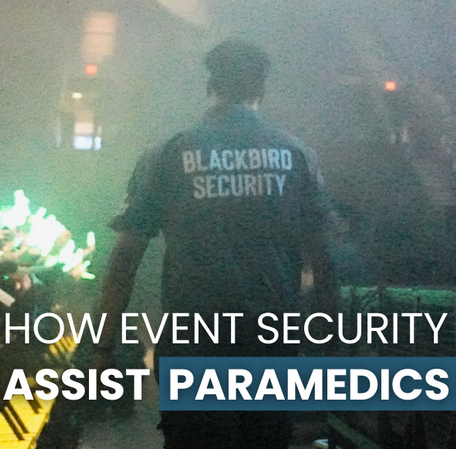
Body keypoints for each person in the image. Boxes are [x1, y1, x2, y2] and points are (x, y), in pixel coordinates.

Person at [94, 39, 336, 449]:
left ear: (210, 87)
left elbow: (124, 260)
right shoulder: (296, 156)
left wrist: (103, 349)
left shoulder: (167, 154)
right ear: (262, 90)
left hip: (192, 342)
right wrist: (332, 343)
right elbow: (324, 261)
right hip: (269, 344)